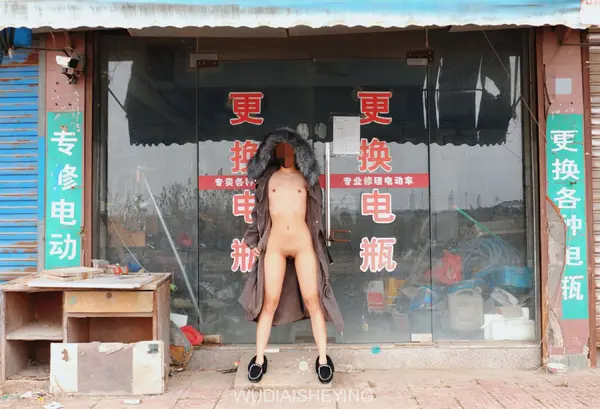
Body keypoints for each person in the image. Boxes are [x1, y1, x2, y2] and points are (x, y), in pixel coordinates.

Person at [238, 128, 344, 384]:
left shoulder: (307, 180)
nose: (285, 152)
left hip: (303, 244)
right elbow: (257, 214)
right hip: (274, 244)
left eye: (290, 148)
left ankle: (323, 359)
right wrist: (252, 240)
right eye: (280, 148)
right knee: (269, 302)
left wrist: (322, 242)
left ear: (299, 152)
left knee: (313, 300)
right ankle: (259, 359)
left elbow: (317, 213)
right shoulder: (267, 180)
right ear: (272, 152)